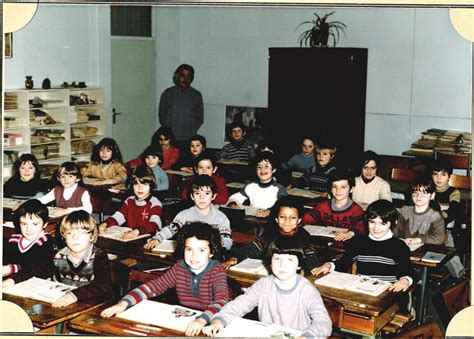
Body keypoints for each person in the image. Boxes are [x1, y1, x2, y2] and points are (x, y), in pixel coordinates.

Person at [101, 222, 229, 337]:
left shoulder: (217, 271)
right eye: (189, 249)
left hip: (209, 324)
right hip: (185, 322)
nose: (194, 256)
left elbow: (221, 300)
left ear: (211, 253)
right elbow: (152, 287)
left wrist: (202, 320)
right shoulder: (180, 267)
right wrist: (124, 303)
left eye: (201, 250)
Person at [202, 236, 332, 338]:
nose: (282, 265)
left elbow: (323, 323)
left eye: (290, 260)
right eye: (277, 259)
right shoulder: (263, 284)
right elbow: (239, 305)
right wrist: (219, 320)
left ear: (299, 265)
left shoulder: (306, 289)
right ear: (270, 262)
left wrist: (308, 336)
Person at [3, 210, 113, 308]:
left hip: (91, 305)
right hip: (65, 303)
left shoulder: (99, 256)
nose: (75, 238)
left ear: (92, 236)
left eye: (82, 233)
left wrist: (75, 295)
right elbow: (35, 270)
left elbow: (103, 285)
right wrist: (13, 280)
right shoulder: (58, 255)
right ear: (64, 237)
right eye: (70, 233)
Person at [313, 200, 416, 296]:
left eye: (382, 224)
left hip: (388, 293)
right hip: (361, 291)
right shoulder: (359, 242)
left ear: (394, 223)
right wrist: (328, 265)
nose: (376, 228)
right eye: (372, 222)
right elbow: (344, 263)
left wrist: (405, 280)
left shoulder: (399, 246)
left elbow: (408, 270)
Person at [222, 196, 319, 274]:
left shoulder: (304, 237)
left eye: (292, 217)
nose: (287, 221)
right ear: (276, 219)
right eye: (282, 217)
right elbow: (251, 249)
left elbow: (312, 262)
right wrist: (236, 258)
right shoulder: (271, 234)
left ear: (299, 220)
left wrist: (304, 270)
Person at [145, 175, 232, 250]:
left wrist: (213, 246)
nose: (202, 198)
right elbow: (171, 229)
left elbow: (227, 241)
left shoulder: (221, 218)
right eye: (197, 193)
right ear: (192, 196)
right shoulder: (185, 215)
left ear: (214, 196)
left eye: (207, 193)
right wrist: (157, 238)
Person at [99, 166, 163, 240]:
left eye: (144, 184)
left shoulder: (155, 203)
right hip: (131, 239)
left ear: (151, 185)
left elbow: (155, 224)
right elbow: (118, 217)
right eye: (136, 184)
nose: (140, 188)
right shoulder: (129, 201)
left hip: (149, 240)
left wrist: (138, 231)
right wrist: (106, 223)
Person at [302, 169, 366, 242]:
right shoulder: (323, 206)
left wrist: (351, 233)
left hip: (346, 243)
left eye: (343, 187)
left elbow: (361, 226)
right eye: (334, 187)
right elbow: (308, 218)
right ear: (331, 189)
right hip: (325, 242)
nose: (338, 191)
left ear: (351, 189)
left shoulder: (356, 209)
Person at [227, 151, 287, 218]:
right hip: (254, 220)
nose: (262, 169)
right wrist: (233, 203)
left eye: (266, 166)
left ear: (274, 170)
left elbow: (284, 205)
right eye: (259, 166)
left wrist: (270, 211)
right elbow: (235, 197)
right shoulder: (251, 186)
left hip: (271, 221)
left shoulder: (279, 188)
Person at [2, 200, 54, 278]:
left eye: (34, 224)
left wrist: (12, 268)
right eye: (24, 224)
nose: (28, 229)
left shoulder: (46, 242)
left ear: (45, 224)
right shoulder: (14, 240)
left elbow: (36, 267)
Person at [158, 64, 204, 143]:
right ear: (176, 76)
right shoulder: (167, 94)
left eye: (188, 76)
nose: (185, 79)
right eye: (182, 75)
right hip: (171, 138)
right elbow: (162, 115)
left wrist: (191, 131)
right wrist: (168, 131)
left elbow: (200, 118)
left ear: (192, 78)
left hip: (189, 139)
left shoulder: (196, 95)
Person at [392, 177, 445, 245]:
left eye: (424, 193)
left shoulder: (435, 217)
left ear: (432, 196)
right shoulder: (404, 211)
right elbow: (395, 231)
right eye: (415, 192)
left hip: (424, 250)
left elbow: (439, 239)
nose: (419, 196)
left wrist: (418, 240)